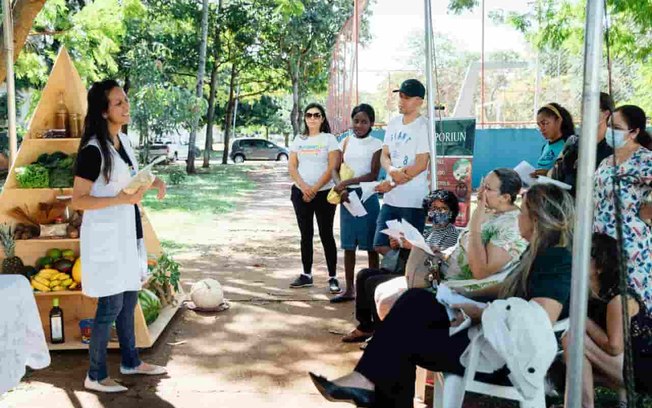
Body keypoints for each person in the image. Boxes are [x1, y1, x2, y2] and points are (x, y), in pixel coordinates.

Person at [309, 183, 575, 407]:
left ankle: (365, 380)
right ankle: (365, 381)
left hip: (505, 358)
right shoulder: (539, 253)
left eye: (523, 212)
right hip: (489, 339)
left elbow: (538, 319)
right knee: (417, 301)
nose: (518, 217)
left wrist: (477, 311)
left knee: (403, 339)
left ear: (537, 219)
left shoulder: (556, 261)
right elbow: (504, 288)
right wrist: (458, 294)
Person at [72, 80, 168, 393]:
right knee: (110, 307)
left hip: (127, 234)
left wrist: (154, 182)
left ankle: (131, 361)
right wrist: (121, 201)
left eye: (125, 100)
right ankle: (96, 375)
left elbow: (132, 178)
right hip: (105, 238)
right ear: (103, 111)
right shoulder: (92, 151)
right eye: (118, 103)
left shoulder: (122, 142)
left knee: (129, 300)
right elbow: (78, 200)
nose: (126, 107)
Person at [340, 189, 460, 343]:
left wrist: (415, 246)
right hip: (412, 271)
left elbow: (441, 259)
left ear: (452, 211)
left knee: (373, 282)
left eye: (442, 209)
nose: (437, 213)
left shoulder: (451, 234)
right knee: (364, 274)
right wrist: (400, 243)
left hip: (427, 278)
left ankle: (382, 333)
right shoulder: (431, 231)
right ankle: (365, 326)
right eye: (433, 209)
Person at [561, 233, 652, 407]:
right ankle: (585, 403)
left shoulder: (618, 299)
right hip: (628, 364)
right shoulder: (594, 294)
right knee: (572, 355)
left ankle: (585, 404)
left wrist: (581, 318)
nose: (575, 257)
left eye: (583, 254)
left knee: (572, 339)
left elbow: (614, 347)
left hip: (644, 368)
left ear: (600, 267)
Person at [593, 104, 652, 311]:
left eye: (617, 127)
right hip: (601, 244)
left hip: (629, 244)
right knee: (606, 301)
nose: (610, 131)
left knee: (630, 302)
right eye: (609, 125)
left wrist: (648, 211)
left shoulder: (644, 160)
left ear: (634, 132)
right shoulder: (607, 161)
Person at [330, 104, 383, 303]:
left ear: (371, 124)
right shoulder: (345, 142)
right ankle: (350, 288)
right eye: (356, 121)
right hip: (347, 198)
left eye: (364, 121)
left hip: (367, 197)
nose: (359, 125)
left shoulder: (377, 144)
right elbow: (335, 169)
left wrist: (347, 182)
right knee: (348, 245)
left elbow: (373, 174)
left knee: (371, 246)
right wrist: (341, 188)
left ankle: (374, 289)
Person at [288, 103, 341, 293]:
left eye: (316, 115)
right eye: (309, 115)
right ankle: (306, 274)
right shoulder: (298, 139)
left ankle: (333, 277)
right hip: (300, 193)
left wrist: (315, 189)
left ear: (322, 118)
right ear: (304, 118)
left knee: (326, 234)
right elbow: (292, 166)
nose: (312, 118)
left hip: (324, 194)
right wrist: (304, 188)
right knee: (306, 235)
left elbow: (332, 167)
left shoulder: (329, 139)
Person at [373, 79, 430, 255]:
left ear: (419, 101)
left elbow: (421, 164)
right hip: (391, 200)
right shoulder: (393, 123)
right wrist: (391, 171)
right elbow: (384, 154)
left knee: (408, 249)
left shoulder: (424, 126)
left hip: (412, 201)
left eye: (406, 97)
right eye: (400, 96)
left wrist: (393, 182)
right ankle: (397, 273)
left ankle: (406, 277)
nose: (401, 100)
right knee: (380, 244)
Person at [443, 168, 528, 281]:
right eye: (482, 186)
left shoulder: (512, 225)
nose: (479, 191)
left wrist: (475, 225)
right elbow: (463, 245)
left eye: (487, 188)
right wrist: (444, 254)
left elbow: (481, 272)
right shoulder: (488, 211)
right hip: (448, 270)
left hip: (461, 286)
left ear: (505, 197)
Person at [549, 92, 615, 196]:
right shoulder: (573, 142)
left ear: (606, 114)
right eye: (583, 109)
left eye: (590, 108)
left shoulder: (613, 149)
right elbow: (554, 173)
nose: (585, 114)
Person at [533, 102, 575, 175]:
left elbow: (570, 175)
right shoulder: (545, 147)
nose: (541, 128)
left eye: (544, 123)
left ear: (558, 121)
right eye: (539, 125)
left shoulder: (569, 146)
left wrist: (548, 174)